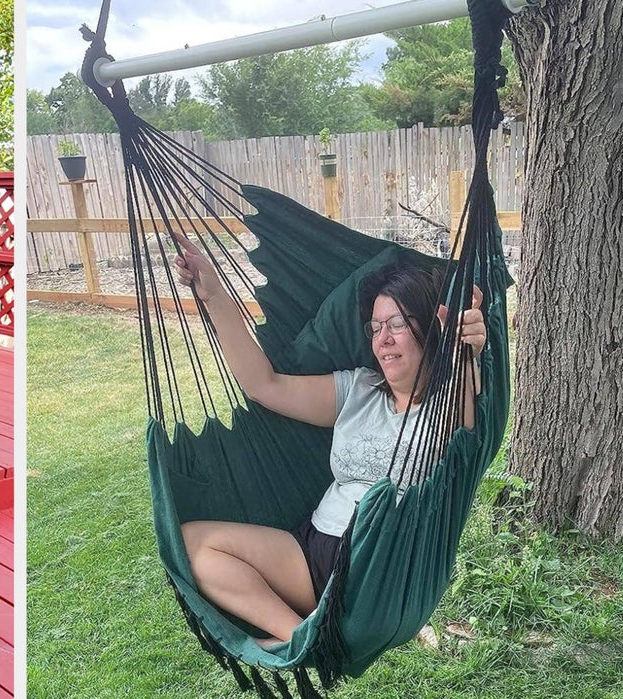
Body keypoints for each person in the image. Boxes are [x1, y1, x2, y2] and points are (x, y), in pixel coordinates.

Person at [172, 234, 486, 647]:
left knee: (376, 507)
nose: (382, 340)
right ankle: (300, 637)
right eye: (375, 328)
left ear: (430, 329)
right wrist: (211, 294)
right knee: (190, 541)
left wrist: (466, 349)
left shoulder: (448, 407)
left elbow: (467, 417)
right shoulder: (358, 388)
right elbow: (262, 385)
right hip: (313, 549)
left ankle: (312, 632)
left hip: (375, 571)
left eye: (396, 324)